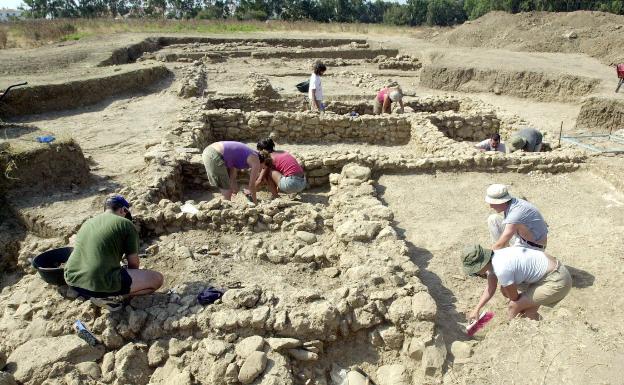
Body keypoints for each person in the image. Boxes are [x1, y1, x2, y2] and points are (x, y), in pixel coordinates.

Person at [64, 195, 164, 311]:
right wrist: (129, 272)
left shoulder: (87, 223)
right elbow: (133, 263)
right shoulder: (126, 224)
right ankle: (110, 297)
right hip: (98, 283)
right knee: (157, 279)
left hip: (72, 279)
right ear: (123, 210)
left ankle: (94, 294)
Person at [461, 244, 572, 321]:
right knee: (528, 313)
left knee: (513, 306)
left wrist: (516, 309)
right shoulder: (494, 258)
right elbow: (491, 288)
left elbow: (514, 299)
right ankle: (543, 329)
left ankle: (510, 335)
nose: (476, 274)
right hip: (548, 274)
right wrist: (477, 309)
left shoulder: (501, 268)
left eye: (475, 271)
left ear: (482, 264)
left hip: (556, 280)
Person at [485, 184, 548, 250]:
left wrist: (489, 257)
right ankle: (502, 252)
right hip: (521, 238)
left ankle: (502, 255)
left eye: (493, 203)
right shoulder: (513, 202)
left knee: (498, 251)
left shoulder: (515, 215)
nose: (491, 206)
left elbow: (501, 245)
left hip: (532, 247)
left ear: (502, 202)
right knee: (493, 219)